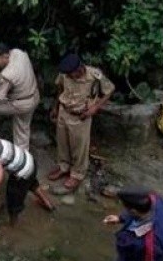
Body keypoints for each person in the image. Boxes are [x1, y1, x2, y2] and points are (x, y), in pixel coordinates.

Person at [48, 53, 115, 192]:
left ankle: (77, 174)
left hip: (81, 116)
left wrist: (95, 107)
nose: (70, 77)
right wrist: (55, 107)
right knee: (62, 143)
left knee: (79, 147)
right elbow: (60, 88)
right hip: (64, 111)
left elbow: (109, 90)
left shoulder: (95, 76)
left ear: (80, 69)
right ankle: (63, 167)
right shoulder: (65, 74)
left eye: (72, 74)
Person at [0, 42, 39, 151]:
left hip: (20, 103)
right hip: (33, 96)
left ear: (5, 56)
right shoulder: (19, 53)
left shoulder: (7, 75)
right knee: (22, 129)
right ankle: (23, 158)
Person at [103, 186, 163, 261]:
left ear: (133, 211)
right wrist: (121, 218)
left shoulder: (151, 244)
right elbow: (136, 210)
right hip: (130, 256)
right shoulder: (154, 200)